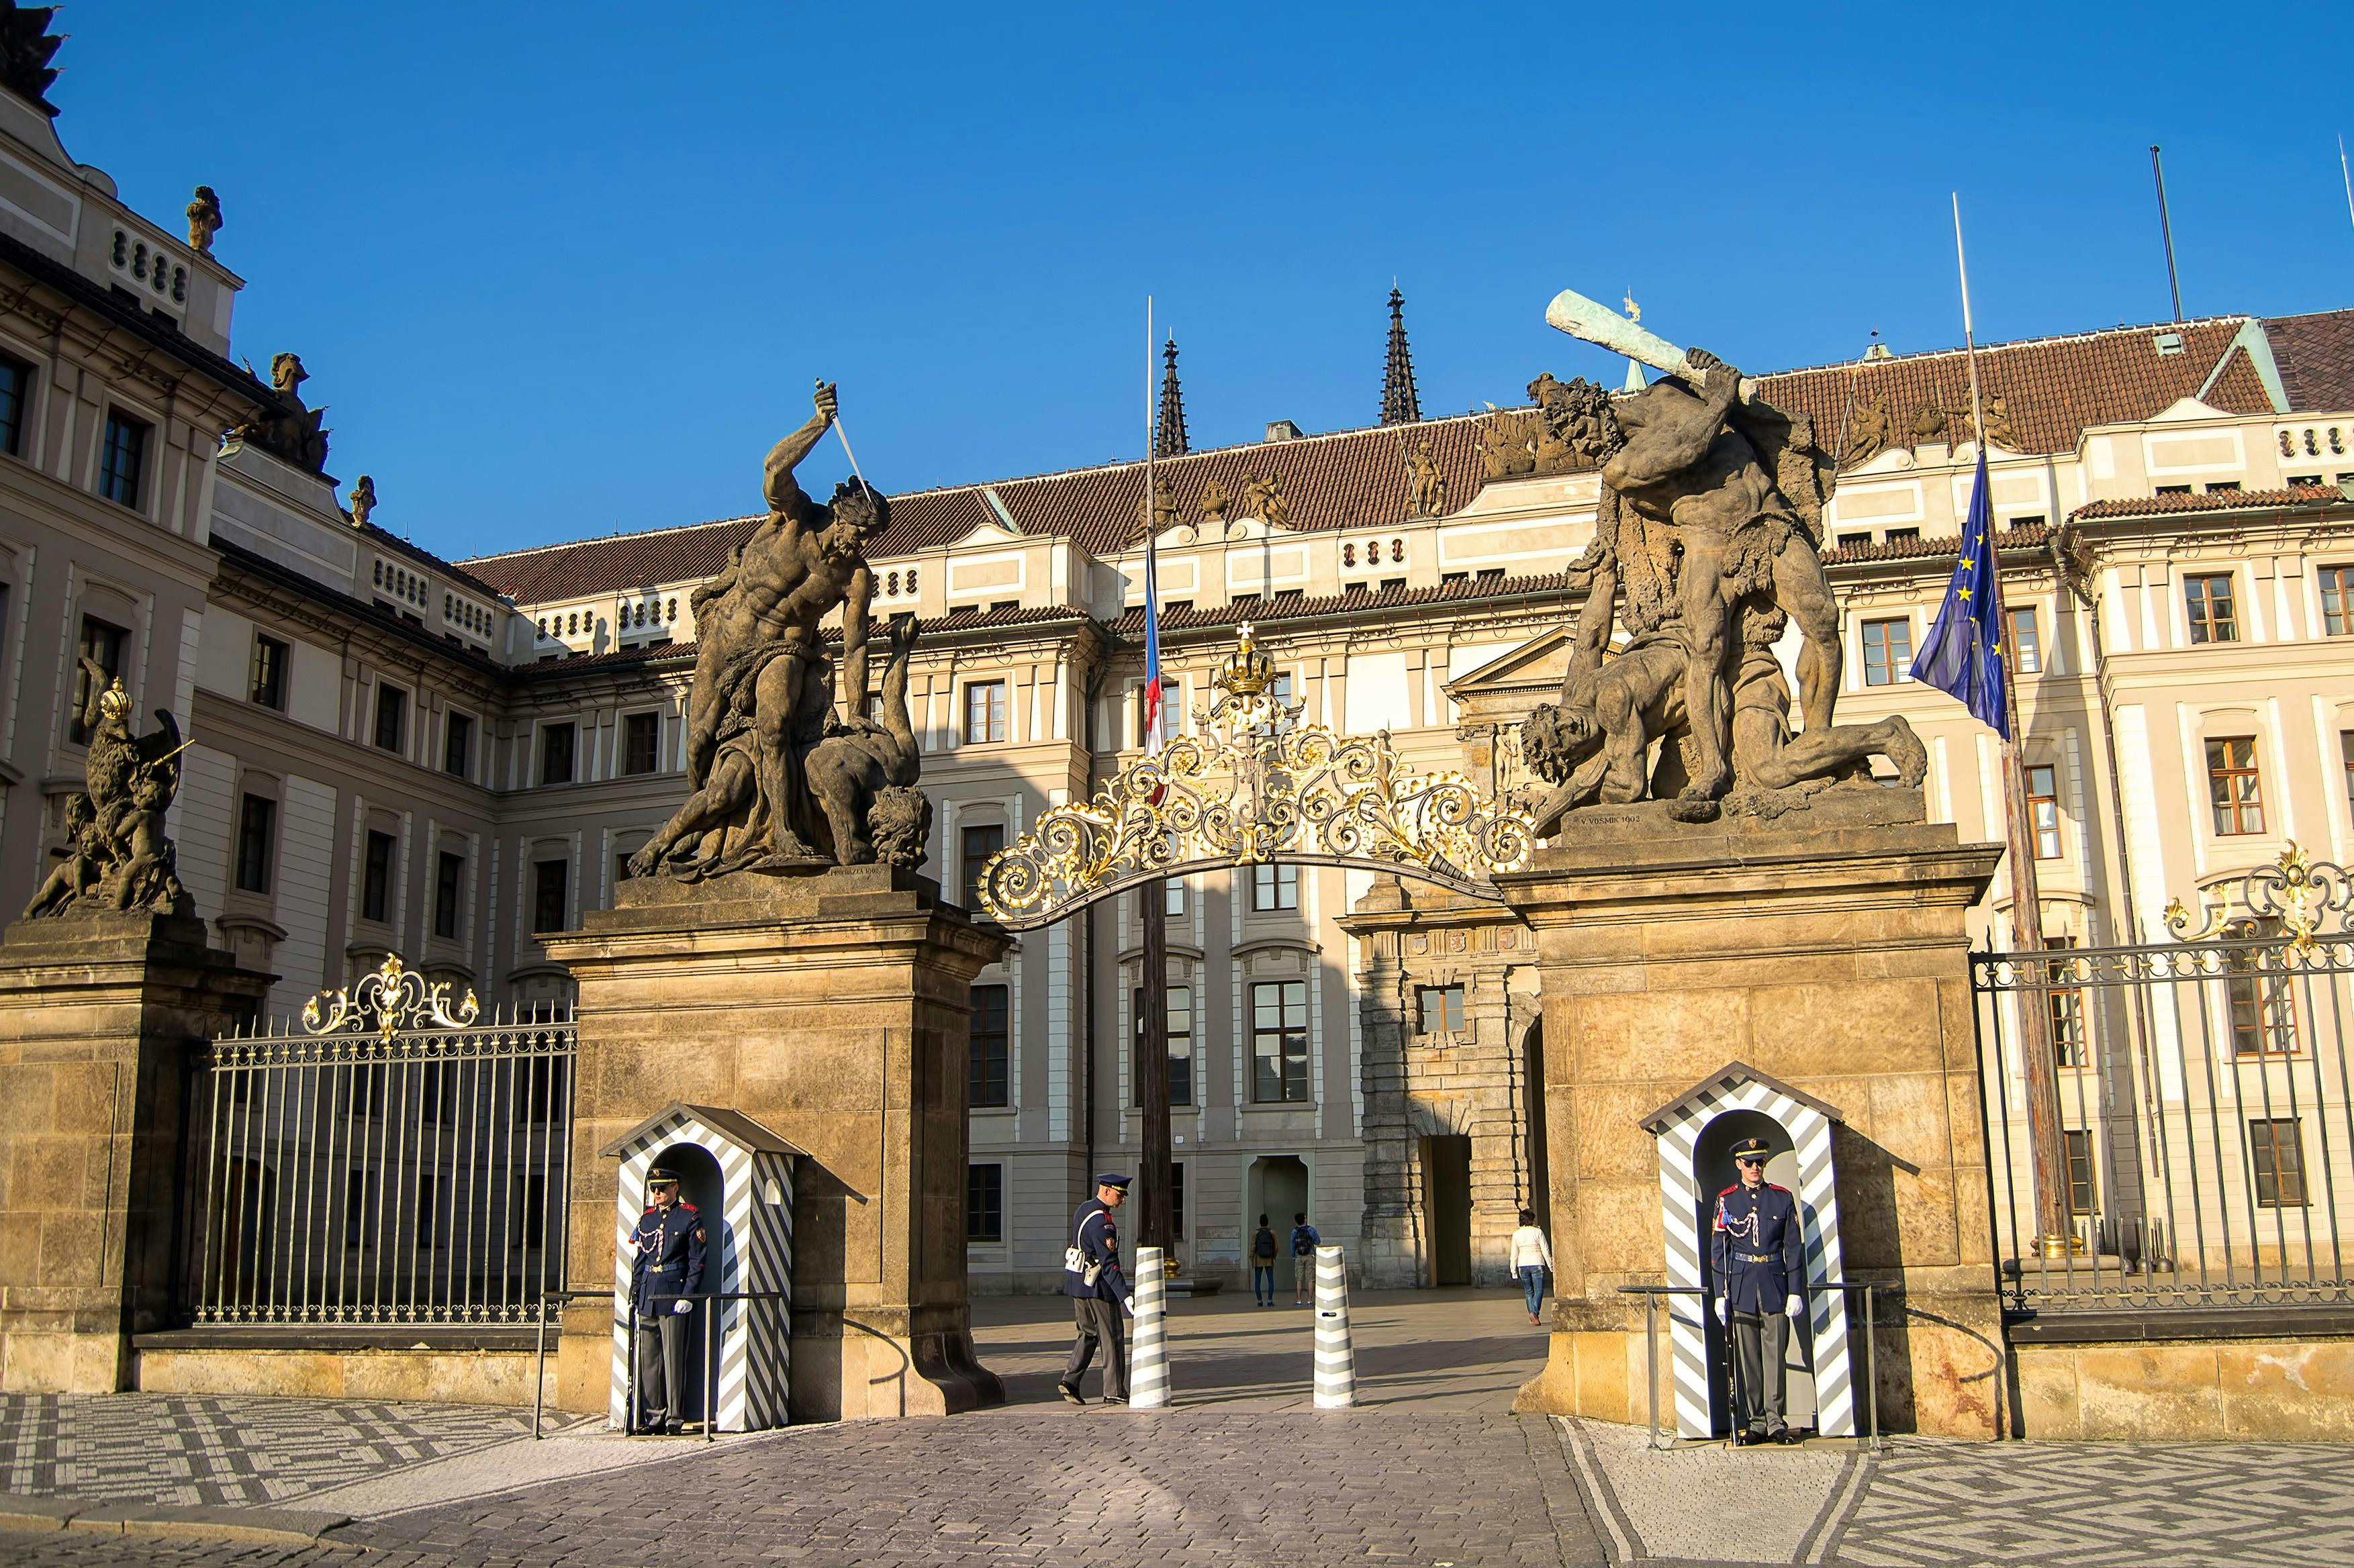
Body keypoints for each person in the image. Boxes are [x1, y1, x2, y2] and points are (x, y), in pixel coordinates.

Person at [1711, 1136, 1805, 1446]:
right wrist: (1719, 1294)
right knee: (1748, 1357)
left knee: (1775, 1354)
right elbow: (1719, 1250)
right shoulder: (1726, 1200)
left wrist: (1795, 1289)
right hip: (1741, 1285)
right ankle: (1756, 1423)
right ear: (1738, 1164)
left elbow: (1793, 1247)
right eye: (1749, 1162)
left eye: (1760, 1162)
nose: (1755, 1168)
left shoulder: (1781, 1198)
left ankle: (1776, 1421)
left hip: (1774, 1283)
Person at [626, 1168, 706, 1434]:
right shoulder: (646, 1221)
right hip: (649, 1292)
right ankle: (654, 1416)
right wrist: (635, 1293)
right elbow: (641, 1260)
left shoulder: (689, 1217)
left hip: (674, 1293)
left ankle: (674, 1417)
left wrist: (689, 1296)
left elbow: (697, 1261)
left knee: (673, 1358)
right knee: (650, 1359)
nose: (657, 1194)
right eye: (654, 1190)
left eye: (662, 1189)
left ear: (675, 1188)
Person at [1060, 1173, 1134, 1406]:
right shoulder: (1104, 1223)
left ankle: (1070, 1380)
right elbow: (1110, 1264)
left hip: (1078, 1283)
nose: (1122, 1200)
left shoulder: (1084, 1209)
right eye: (1120, 1195)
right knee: (1112, 1336)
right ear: (1107, 1191)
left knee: (1087, 1333)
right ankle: (1114, 1390)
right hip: (1099, 1287)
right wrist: (1125, 1296)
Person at [1510, 1207, 1554, 1324]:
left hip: (1523, 1264)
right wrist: (1551, 1265)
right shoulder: (1537, 1232)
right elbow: (1545, 1250)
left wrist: (1513, 1271)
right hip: (1537, 1263)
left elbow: (1514, 1254)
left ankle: (1533, 1315)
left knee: (1529, 1292)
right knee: (1539, 1290)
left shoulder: (1516, 1234)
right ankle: (1534, 1312)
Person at [1288, 1212, 1321, 1305]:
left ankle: (1299, 1300)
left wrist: (1293, 1256)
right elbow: (1318, 1241)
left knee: (1299, 1279)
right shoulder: (1311, 1230)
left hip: (1299, 1256)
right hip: (1310, 1255)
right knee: (1310, 1279)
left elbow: (1292, 1245)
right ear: (1304, 1219)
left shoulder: (1295, 1231)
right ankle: (1310, 1300)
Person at [1249, 1214, 1278, 1307]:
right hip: (1269, 1259)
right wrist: (1273, 1256)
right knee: (1271, 1280)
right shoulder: (1272, 1233)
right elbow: (1277, 1247)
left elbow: (1253, 1247)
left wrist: (1251, 1257)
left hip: (1258, 1260)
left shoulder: (1255, 1233)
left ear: (1260, 1222)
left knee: (1258, 1280)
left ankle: (1259, 1300)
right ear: (1268, 1222)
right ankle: (1270, 1300)